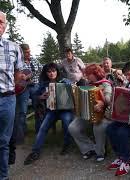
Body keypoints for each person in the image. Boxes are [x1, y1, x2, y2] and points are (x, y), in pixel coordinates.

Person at [24, 63, 74, 165]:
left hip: (65, 110)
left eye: (53, 71)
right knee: (43, 128)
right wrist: (41, 97)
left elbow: (73, 88)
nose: (51, 73)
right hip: (52, 111)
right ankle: (35, 152)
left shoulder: (64, 81)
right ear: (46, 73)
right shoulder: (43, 84)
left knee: (66, 121)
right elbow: (35, 95)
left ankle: (67, 144)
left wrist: (72, 86)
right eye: (49, 71)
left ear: (57, 71)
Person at [68, 64, 112, 162]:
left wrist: (102, 102)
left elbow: (109, 99)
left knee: (98, 127)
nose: (86, 76)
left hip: (103, 114)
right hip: (88, 113)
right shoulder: (88, 84)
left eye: (88, 74)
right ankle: (89, 148)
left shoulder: (106, 84)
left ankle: (101, 152)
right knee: (73, 127)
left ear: (95, 73)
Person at [0, 11, 24, 180]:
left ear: (5, 25)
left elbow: (18, 72)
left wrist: (11, 87)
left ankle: (3, 175)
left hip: (7, 99)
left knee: (3, 141)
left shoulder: (14, 47)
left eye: (1, 22)